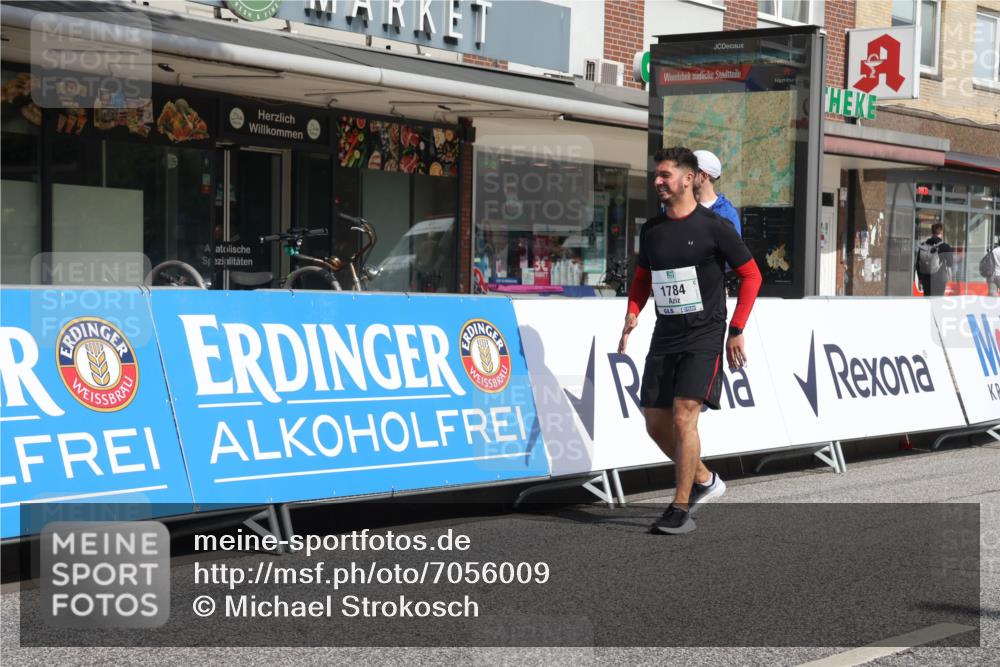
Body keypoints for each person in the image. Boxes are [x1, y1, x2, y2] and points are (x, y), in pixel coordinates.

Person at [619, 146, 762, 535]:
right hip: (665, 335)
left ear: (688, 178)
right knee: (655, 422)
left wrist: (737, 329)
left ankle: (679, 506)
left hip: (704, 334)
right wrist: (633, 312)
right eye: (656, 175)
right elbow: (643, 279)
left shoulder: (715, 227)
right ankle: (704, 479)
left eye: (665, 175)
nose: (658, 182)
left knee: (684, 414)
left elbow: (751, 276)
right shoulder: (652, 230)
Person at [693, 150, 741, 297]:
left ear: (704, 176)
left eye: (690, 171)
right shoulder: (678, 207)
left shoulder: (727, 213)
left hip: (711, 291)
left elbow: (734, 256)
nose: (684, 176)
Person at [914, 223, 954, 297]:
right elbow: (950, 263)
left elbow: (917, 264)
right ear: (942, 232)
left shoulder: (923, 246)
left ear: (932, 232)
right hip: (939, 280)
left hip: (926, 279)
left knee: (927, 300)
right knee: (938, 302)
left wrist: (920, 278)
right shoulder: (945, 247)